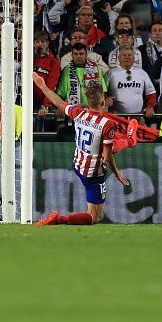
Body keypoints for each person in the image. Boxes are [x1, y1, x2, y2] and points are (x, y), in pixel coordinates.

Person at [33, 73, 129, 226]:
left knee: (95, 212)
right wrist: (117, 172)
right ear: (103, 102)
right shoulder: (107, 124)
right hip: (93, 173)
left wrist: (42, 86)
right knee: (95, 217)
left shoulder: (79, 113)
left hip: (78, 165)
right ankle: (59, 219)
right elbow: (107, 155)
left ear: (88, 102)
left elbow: (58, 102)